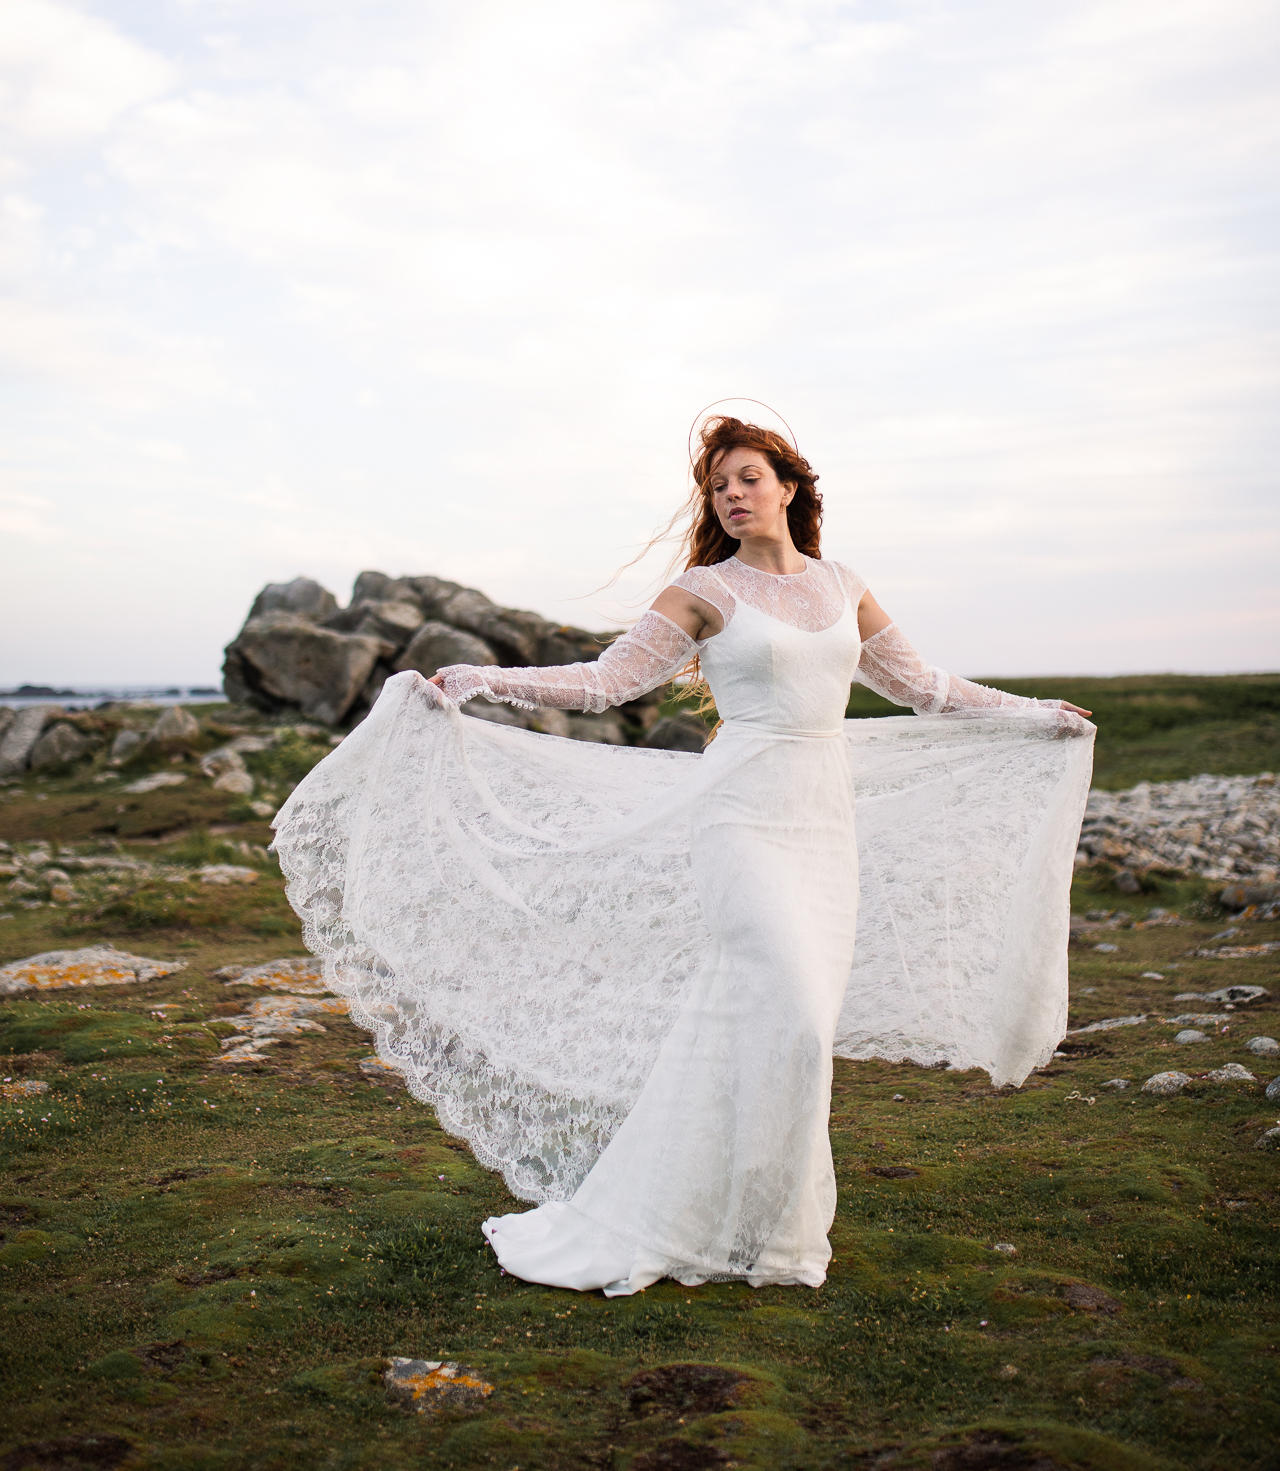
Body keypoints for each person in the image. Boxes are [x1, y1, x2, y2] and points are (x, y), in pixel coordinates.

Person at [272, 415, 1094, 1299]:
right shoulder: (705, 591)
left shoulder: (845, 586)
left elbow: (925, 689)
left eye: (747, 479)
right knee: (797, 1015)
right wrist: (486, 680)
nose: (732, 497)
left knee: (787, 1029)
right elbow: (605, 681)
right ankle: (700, 1220)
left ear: (789, 487)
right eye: (718, 488)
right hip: (741, 817)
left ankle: (766, 1230)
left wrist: (1031, 711)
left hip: (823, 823)